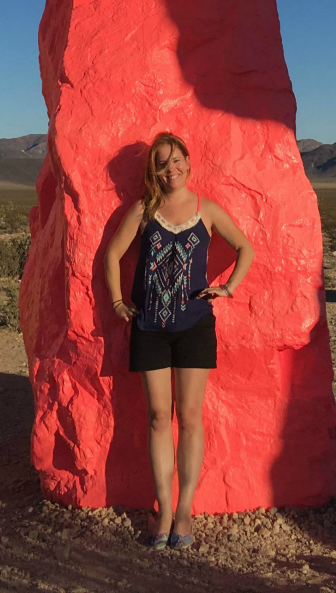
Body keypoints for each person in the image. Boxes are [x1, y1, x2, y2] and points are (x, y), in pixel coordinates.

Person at [104, 131, 254, 549]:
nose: (172, 169)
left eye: (177, 160)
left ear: (189, 161)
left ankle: (185, 508)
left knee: (188, 417)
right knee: (157, 417)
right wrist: (118, 302)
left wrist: (227, 288)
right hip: (149, 328)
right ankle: (164, 509)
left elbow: (245, 247)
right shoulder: (143, 210)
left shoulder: (207, 210)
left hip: (194, 327)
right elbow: (112, 254)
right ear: (154, 172)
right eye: (163, 164)